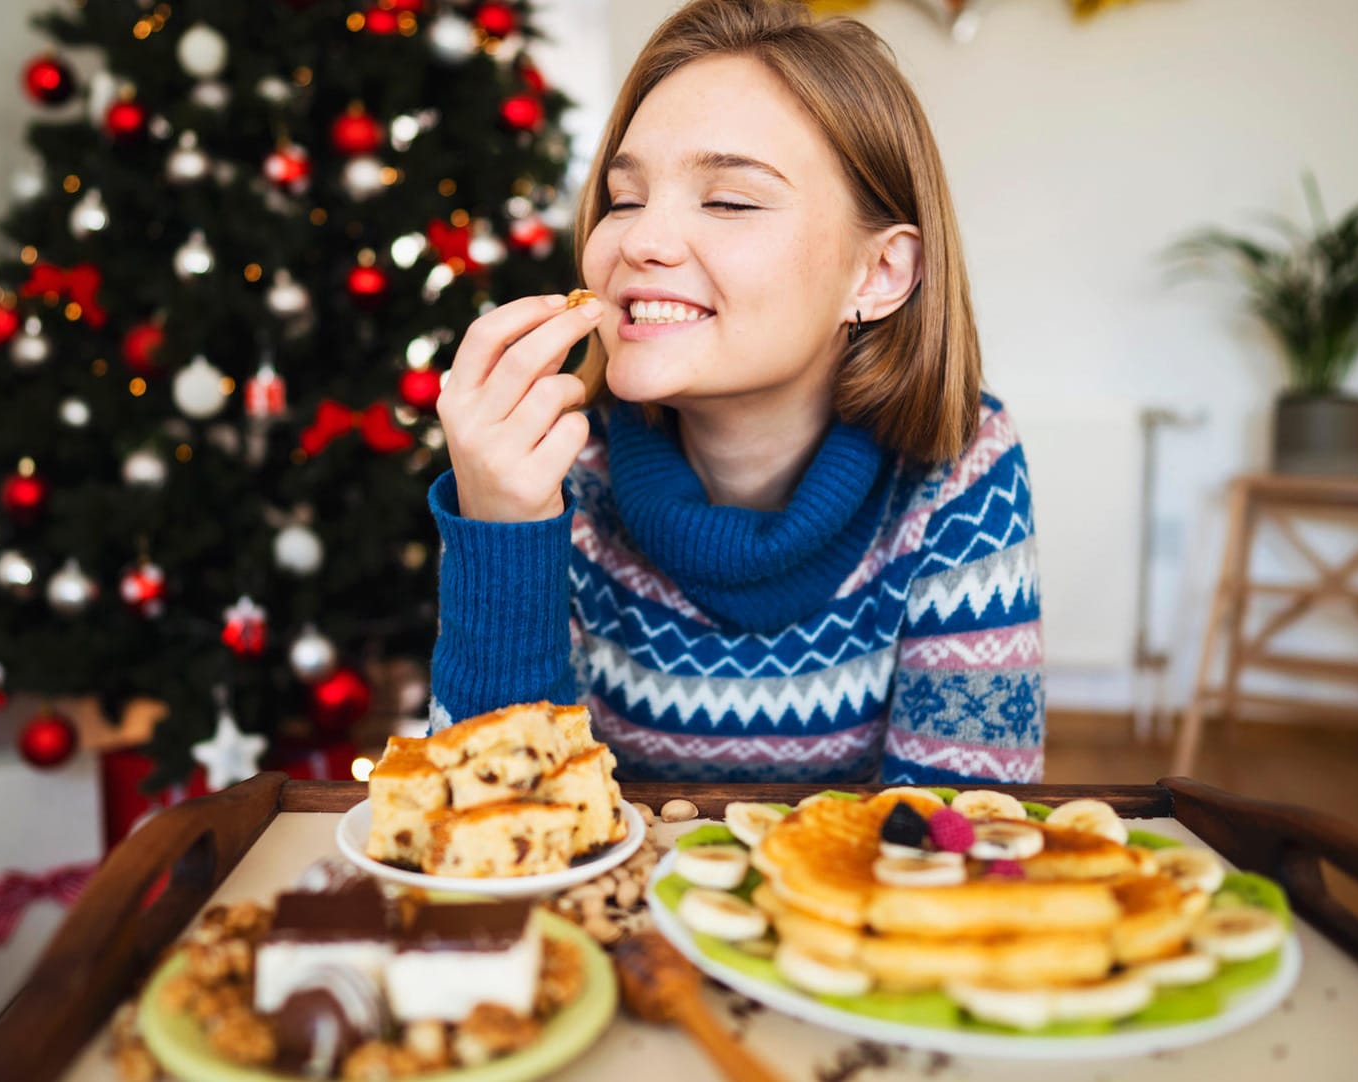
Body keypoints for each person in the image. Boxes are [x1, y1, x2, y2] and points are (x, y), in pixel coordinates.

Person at [425, 0, 1043, 784]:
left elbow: (969, 844)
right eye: (624, 198)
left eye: (728, 201)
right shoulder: (551, 471)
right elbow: (490, 824)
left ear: (879, 274)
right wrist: (503, 535)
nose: (639, 241)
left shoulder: (964, 465)